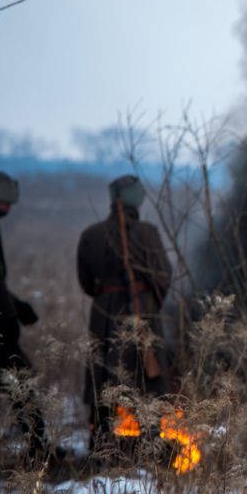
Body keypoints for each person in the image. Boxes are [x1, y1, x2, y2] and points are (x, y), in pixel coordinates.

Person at [76, 175, 173, 453]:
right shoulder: (148, 233)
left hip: (103, 314)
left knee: (103, 376)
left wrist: (107, 297)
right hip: (143, 311)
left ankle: (100, 441)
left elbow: (85, 282)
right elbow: (163, 275)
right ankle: (151, 441)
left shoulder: (90, 234)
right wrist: (148, 300)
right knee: (147, 379)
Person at [0, 171, 47, 459]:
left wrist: (16, 305)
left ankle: (38, 446)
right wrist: (8, 318)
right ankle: (38, 448)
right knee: (21, 380)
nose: (7, 208)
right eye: (4, 203)